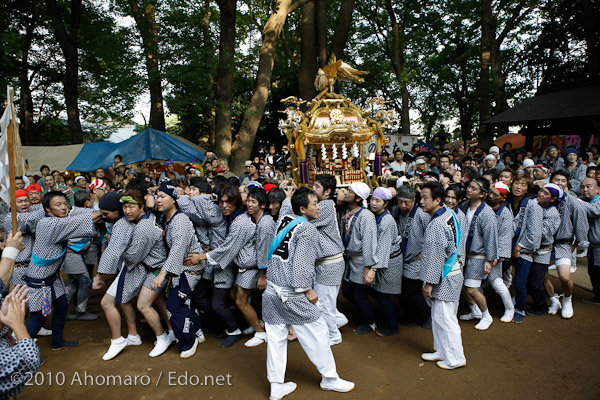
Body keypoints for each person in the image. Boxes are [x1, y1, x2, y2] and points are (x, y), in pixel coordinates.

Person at [262, 187, 354, 400]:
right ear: (302, 208)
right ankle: (330, 378)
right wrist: (308, 290)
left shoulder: (285, 218)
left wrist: (288, 194)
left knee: (276, 339)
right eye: (314, 203)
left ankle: (276, 385)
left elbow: (287, 204)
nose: (318, 206)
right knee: (318, 332)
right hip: (293, 294)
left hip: (272, 292)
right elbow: (302, 266)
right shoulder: (308, 229)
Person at [24, 191, 103, 350]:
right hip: (40, 281)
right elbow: (76, 222)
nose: (63, 208)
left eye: (64, 204)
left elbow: (77, 214)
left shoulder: (60, 219)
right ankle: (21, 354)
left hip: (52, 278)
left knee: (61, 306)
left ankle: (57, 341)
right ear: (48, 209)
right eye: (57, 205)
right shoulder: (47, 224)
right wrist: (104, 212)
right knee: (38, 318)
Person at [189, 186, 254, 347]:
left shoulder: (240, 222)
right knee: (204, 297)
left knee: (220, 303)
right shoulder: (231, 217)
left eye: (228, 202)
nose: (224, 206)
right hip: (221, 265)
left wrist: (201, 257)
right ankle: (228, 325)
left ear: (236, 202)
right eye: (221, 202)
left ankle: (235, 329)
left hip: (230, 266)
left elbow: (227, 249)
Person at [152, 185, 205, 359]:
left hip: (190, 269)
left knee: (174, 305)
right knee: (184, 302)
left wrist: (162, 274)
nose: (158, 200)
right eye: (157, 196)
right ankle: (197, 330)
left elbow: (177, 249)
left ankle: (188, 342)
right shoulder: (167, 218)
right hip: (181, 268)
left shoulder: (180, 220)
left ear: (174, 199)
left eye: (162, 196)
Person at [419, 182, 466, 370]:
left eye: (425, 198)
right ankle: (442, 351)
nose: (421, 202)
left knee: (446, 320)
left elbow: (436, 256)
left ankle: (455, 358)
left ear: (437, 200)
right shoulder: (449, 213)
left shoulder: (437, 224)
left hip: (446, 276)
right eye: (420, 197)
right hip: (451, 272)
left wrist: (429, 283)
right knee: (440, 317)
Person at [235, 187, 274, 347]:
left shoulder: (265, 224)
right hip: (253, 269)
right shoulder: (254, 219)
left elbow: (265, 251)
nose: (249, 204)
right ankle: (256, 324)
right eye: (248, 201)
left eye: (254, 202)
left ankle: (260, 332)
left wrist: (263, 275)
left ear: (263, 205)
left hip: (259, 270)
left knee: (240, 301)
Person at [458, 178, 498, 331]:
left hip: (478, 255)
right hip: (466, 253)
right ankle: (475, 310)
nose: (469, 190)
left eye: (474, 189)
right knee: (462, 285)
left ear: (482, 194)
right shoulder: (464, 206)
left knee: (471, 289)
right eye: (469, 187)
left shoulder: (487, 213)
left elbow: (491, 237)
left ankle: (486, 315)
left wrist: (490, 259)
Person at [312, 174, 347, 344]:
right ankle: (337, 320)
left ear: (327, 191)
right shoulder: (323, 204)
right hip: (327, 262)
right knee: (324, 300)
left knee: (324, 302)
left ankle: (333, 335)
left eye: (317, 186)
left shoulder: (325, 205)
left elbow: (306, 223)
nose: (313, 189)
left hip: (330, 262)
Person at [340, 182, 379, 335]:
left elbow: (370, 243)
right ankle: (365, 315)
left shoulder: (366, 216)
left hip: (362, 260)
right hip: (352, 260)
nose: (345, 192)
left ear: (357, 198)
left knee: (360, 295)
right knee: (348, 292)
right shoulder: (349, 213)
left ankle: (370, 322)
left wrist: (368, 267)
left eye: (349, 191)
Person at [368, 187, 402, 336]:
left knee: (383, 295)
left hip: (390, 261)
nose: (373, 203)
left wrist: (373, 269)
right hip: (385, 259)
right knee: (379, 293)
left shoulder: (386, 221)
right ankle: (393, 315)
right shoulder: (376, 215)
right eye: (372, 199)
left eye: (378, 201)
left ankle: (393, 326)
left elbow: (383, 247)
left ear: (386, 203)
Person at [396, 185, 432, 329]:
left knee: (412, 292)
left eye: (407, 202)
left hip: (416, 260)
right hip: (401, 258)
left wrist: (424, 251)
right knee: (402, 292)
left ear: (414, 201)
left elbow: (431, 232)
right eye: (400, 202)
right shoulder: (396, 211)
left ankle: (425, 316)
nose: (403, 205)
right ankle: (411, 316)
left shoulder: (422, 214)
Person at [510, 175, 543, 323]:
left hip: (524, 249)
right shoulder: (507, 203)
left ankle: (520, 309)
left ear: (528, 189)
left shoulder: (533, 205)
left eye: (523, 185)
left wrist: (519, 246)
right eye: (516, 183)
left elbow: (535, 233)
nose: (518, 187)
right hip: (507, 247)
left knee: (520, 282)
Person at [525, 184, 561, 316]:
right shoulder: (536, 205)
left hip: (542, 251)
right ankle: (544, 301)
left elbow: (543, 233)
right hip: (530, 249)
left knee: (536, 281)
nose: (540, 194)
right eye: (541, 191)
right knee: (532, 279)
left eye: (546, 193)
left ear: (552, 199)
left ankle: (541, 306)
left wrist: (532, 223)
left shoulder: (553, 213)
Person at [63, 190, 98, 321]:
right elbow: (101, 214)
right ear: (86, 203)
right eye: (92, 200)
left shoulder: (74, 210)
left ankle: (65, 310)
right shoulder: (83, 212)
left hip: (74, 253)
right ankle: (81, 311)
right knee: (84, 281)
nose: (94, 202)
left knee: (73, 283)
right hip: (73, 253)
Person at [484, 182, 515, 322]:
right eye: (490, 192)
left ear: (502, 198)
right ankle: (479, 310)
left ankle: (510, 308)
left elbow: (505, 237)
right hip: (480, 251)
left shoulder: (505, 213)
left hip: (494, 254)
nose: (490, 195)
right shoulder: (484, 207)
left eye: (494, 194)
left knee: (496, 282)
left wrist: (496, 256)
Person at [3, 190, 45, 290]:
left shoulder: (30, 209)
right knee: (21, 300)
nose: (24, 204)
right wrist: (51, 205)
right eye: (20, 201)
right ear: (12, 204)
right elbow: (31, 218)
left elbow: (38, 206)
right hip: (19, 268)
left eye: (26, 201)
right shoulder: (11, 218)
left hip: (32, 266)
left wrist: (54, 197)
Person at [579, 177, 600, 304]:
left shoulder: (598, 201)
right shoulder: (587, 201)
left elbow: (595, 211)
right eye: (582, 187)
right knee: (593, 270)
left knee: (597, 271)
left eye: (589, 186)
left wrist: (576, 201)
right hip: (593, 245)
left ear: (597, 189)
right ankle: (597, 295)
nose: (585, 189)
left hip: (599, 245)